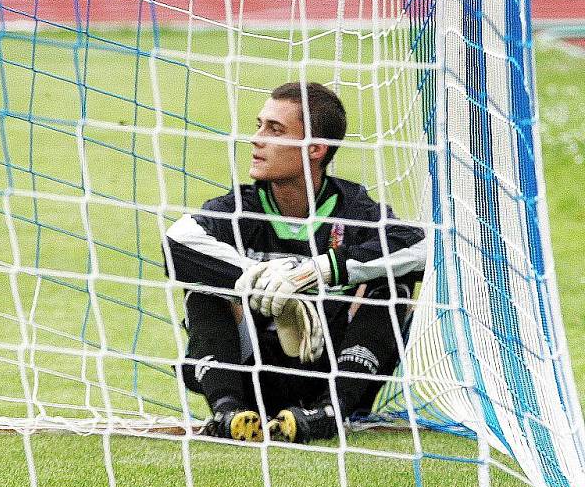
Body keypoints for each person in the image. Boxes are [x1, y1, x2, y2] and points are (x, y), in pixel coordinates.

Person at [163, 82, 425, 443]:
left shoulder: (355, 211)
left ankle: (329, 413)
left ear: (315, 149)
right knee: (206, 285)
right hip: (251, 372)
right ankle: (227, 411)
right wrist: (260, 277)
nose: (256, 139)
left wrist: (316, 272)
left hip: (333, 367)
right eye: (259, 125)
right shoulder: (240, 208)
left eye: (275, 130)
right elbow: (176, 240)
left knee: (391, 285)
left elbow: (423, 247)